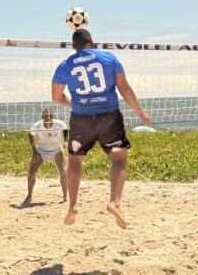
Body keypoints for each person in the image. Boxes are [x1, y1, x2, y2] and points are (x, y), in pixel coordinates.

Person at [52, 29, 150, 229]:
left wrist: (77, 105)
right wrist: (140, 112)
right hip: (109, 117)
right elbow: (125, 89)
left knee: (75, 161)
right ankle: (114, 202)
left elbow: (57, 98)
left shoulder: (65, 65)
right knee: (119, 159)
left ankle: (73, 206)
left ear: (74, 46)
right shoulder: (108, 57)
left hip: (81, 119)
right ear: (92, 42)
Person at [23, 108, 68, 205]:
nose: (48, 117)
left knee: (63, 171)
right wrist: (34, 151)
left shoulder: (59, 124)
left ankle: (65, 196)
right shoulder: (37, 125)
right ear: (42, 117)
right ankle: (29, 195)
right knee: (31, 173)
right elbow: (30, 135)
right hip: (41, 150)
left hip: (56, 150)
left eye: (50, 116)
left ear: (53, 116)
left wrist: (66, 141)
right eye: (45, 116)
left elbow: (65, 130)